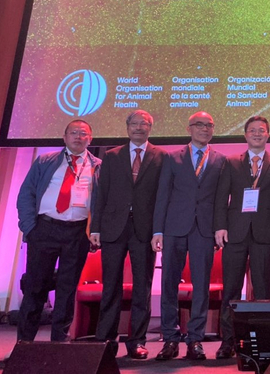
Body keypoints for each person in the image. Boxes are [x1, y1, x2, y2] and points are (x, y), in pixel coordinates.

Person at [16, 120, 101, 342]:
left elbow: (102, 203)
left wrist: (95, 231)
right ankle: (23, 344)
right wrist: (30, 229)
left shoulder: (98, 166)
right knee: (35, 288)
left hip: (78, 233)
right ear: (64, 137)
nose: (78, 137)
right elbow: (26, 195)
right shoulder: (45, 161)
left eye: (83, 133)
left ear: (90, 139)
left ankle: (59, 344)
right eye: (73, 132)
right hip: (44, 230)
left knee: (67, 290)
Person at [90, 110, 166, 358]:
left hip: (144, 230)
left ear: (150, 128)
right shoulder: (111, 156)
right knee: (111, 285)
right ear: (127, 127)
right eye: (134, 124)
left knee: (142, 287)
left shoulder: (162, 156)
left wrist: (159, 230)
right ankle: (105, 339)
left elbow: (163, 198)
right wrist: (96, 227)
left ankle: (137, 341)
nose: (139, 128)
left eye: (144, 124)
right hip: (113, 228)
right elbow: (102, 194)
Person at [151, 111, 226, 361]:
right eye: (200, 125)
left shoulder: (220, 160)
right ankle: (170, 339)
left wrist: (218, 229)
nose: (205, 129)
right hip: (174, 228)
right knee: (169, 284)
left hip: (204, 230)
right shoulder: (173, 158)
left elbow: (220, 201)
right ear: (189, 128)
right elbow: (162, 195)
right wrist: (158, 230)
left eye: (209, 125)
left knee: (202, 286)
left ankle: (195, 339)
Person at [214, 116, 270, 359]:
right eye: (252, 130)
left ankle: (266, 339)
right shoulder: (231, 161)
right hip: (234, 232)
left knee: (263, 289)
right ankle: (228, 340)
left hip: (265, 232)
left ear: (268, 135)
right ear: (245, 135)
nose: (257, 134)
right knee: (231, 290)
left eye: (262, 131)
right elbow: (221, 197)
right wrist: (220, 227)